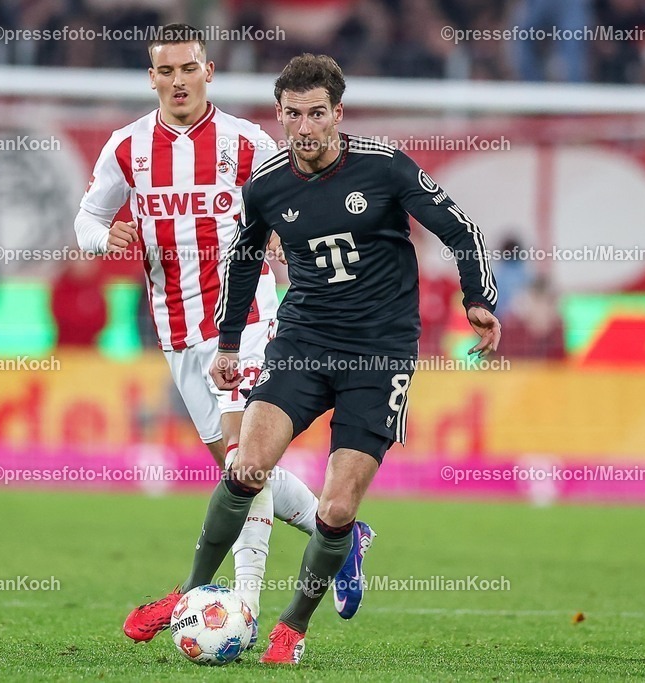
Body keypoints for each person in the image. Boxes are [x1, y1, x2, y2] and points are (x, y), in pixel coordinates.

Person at [123, 53, 501, 665]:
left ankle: (291, 628)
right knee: (246, 466)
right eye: (293, 114)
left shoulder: (384, 167)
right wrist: (227, 345)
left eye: (316, 114)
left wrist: (479, 300)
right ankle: (191, 592)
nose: (304, 127)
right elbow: (243, 261)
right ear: (279, 114)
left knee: (338, 507)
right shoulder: (267, 184)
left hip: (379, 356)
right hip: (302, 343)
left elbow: (461, 230)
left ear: (337, 114)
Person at [73, 25, 375, 635]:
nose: (179, 80)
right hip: (177, 331)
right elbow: (87, 218)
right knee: (237, 473)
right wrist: (105, 237)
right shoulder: (126, 148)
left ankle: (241, 608)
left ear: (208, 72)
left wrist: (290, 239)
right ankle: (340, 532)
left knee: (244, 463)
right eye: (167, 71)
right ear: (152, 78)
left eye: (189, 68)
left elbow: (297, 201)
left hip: (246, 321)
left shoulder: (246, 141)